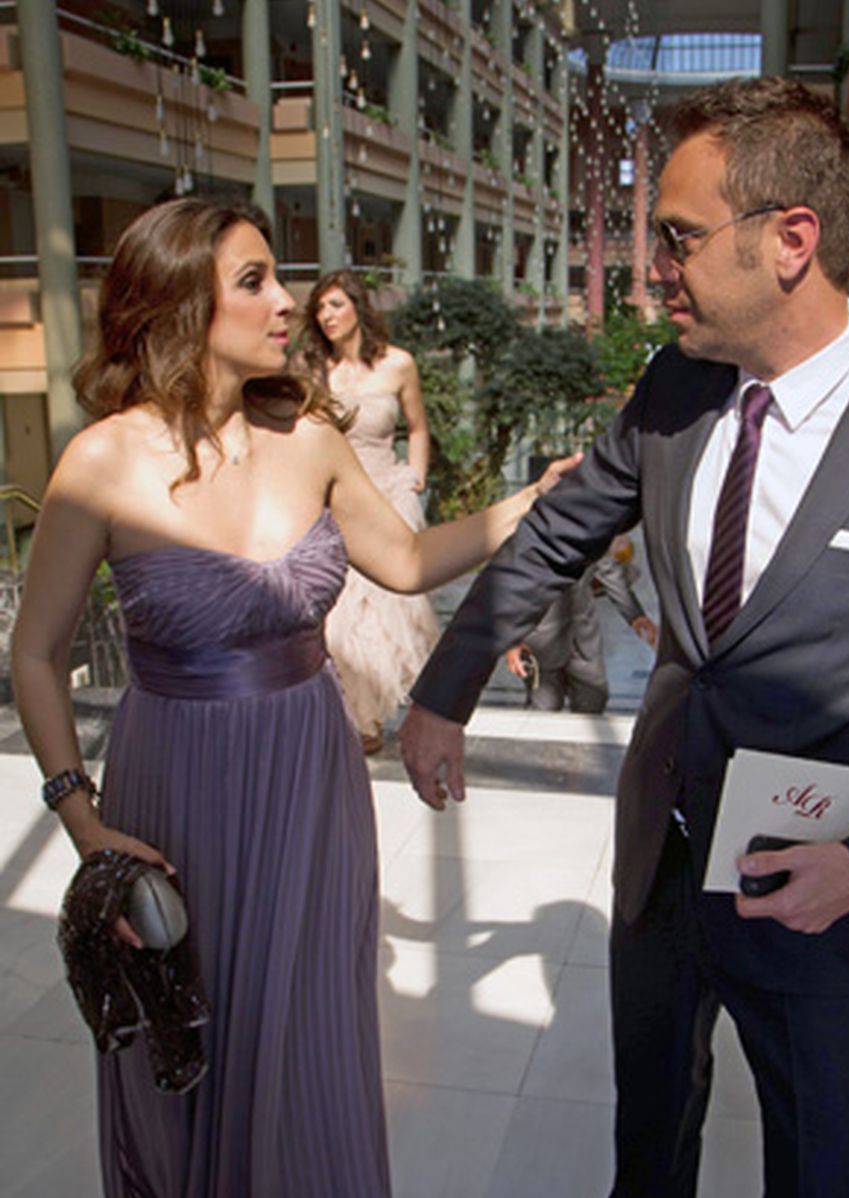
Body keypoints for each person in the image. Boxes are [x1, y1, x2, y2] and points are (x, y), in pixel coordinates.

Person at [398, 77, 849, 1198]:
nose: (657, 268)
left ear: (791, 239)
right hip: (661, 862)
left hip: (819, 885)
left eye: (680, 238)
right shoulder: (675, 386)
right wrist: (443, 691)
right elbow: (553, 534)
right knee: (647, 1152)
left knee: (820, 1170)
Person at [10, 197, 574, 1198]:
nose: (288, 301)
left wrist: (528, 504)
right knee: (192, 1011)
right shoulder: (100, 460)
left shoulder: (308, 435)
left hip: (310, 779)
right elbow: (38, 654)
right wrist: (84, 821)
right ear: (182, 301)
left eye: (279, 276)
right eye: (255, 280)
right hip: (171, 780)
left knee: (304, 1022)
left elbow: (402, 560)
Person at [296, 270, 436, 754]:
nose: (327, 316)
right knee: (337, 617)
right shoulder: (310, 369)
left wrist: (415, 477)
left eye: (335, 305)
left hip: (387, 495)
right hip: (330, 498)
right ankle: (351, 716)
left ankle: (370, 717)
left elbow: (417, 427)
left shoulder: (398, 365)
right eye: (320, 308)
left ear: (357, 306)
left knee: (383, 612)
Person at [504, 535, 657, 713]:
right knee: (544, 709)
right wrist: (511, 640)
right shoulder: (527, 535)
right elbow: (507, 589)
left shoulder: (592, 529)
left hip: (583, 638)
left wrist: (635, 616)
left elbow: (611, 574)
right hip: (540, 642)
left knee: (593, 700)